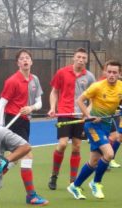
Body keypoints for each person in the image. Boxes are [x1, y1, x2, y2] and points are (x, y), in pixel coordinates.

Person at [0, 49, 49, 206]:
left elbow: (39, 103)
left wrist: (31, 108)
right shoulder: (12, 81)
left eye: (27, 58)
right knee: (27, 154)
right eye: (21, 58)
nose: (25, 60)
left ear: (31, 62)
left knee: (17, 157)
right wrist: (0, 127)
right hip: (14, 120)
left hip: (25, 120)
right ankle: (31, 195)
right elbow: (2, 104)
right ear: (18, 63)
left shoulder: (35, 80)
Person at [67, 60, 122, 200]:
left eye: (114, 72)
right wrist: (89, 115)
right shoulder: (97, 86)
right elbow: (79, 100)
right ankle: (96, 183)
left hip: (106, 125)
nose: (111, 75)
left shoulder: (121, 87)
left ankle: (75, 186)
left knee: (94, 161)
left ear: (119, 74)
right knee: (109, 154)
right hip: (93, 126)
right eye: (109, 72)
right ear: (105, 72)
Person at [47, 48, 95, 190]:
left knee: (77, 146)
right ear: (73, 58)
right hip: (64, 114)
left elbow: (93, 98)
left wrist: (88, 112)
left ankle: (73, 181)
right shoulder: (62, 72)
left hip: (80, 116)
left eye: (83, 58)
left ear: (86, 60)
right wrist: (52, 108)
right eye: (78, 57)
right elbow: (54, 91)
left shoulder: (90, 77)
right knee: (62, 144)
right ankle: (54, 176)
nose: (81, 59)